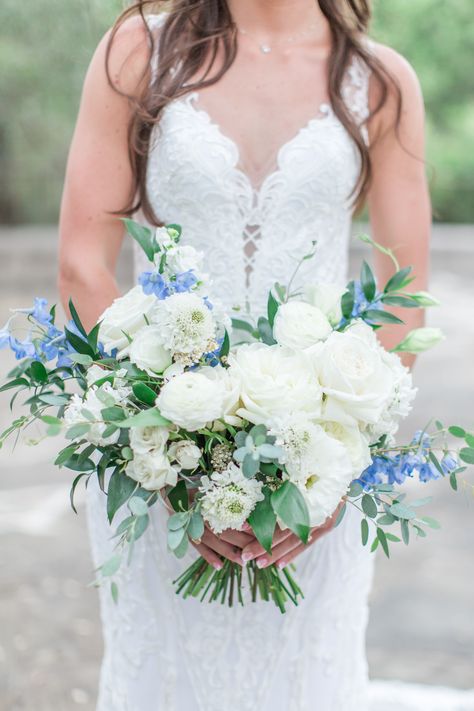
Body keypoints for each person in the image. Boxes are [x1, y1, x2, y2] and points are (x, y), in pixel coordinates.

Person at [58, 2, 431, 709]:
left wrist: (332, 466)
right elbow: (82, 266)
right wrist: (166, 450)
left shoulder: (380, 81)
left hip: (316, 485)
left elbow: (403, 296)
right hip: (155, 471)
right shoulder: (139, 50)